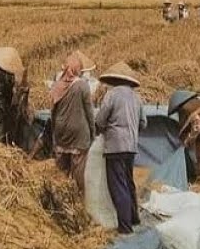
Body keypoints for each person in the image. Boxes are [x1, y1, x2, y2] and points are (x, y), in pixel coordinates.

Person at [95, 62, 147, 234]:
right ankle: (134, 216)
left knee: (118, 185)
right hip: (131, 146)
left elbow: (100, 120)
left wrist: (104, 129)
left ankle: (125, 226)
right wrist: (133, 132)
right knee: (128, 181)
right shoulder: (137, 98)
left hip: (115, 146)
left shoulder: (111, 95)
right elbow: (143, 123)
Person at [47, 53, 96, 191]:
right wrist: (92, 133)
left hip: (61, 132)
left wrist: (55, 133)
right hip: (78, 134)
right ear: (78, 69)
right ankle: (77, 197)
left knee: (60, 171)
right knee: (78, 170)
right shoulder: (82, 86)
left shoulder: (57, 86)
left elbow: (53, 112)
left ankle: (60, 195)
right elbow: (89, 113)